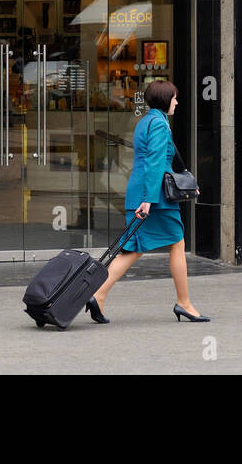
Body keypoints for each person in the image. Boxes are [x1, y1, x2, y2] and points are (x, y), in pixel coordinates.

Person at [87, 80, 208, 324]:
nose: (176, 102)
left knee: (133, 248)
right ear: (165, 100)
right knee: (176, 241)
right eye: (174, 98)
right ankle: (183, 303)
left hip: (141, 191)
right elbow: (154, 163)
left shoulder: (144, 122)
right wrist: (150, 200)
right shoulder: (160, 125)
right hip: (155, 197)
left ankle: (98, 295)